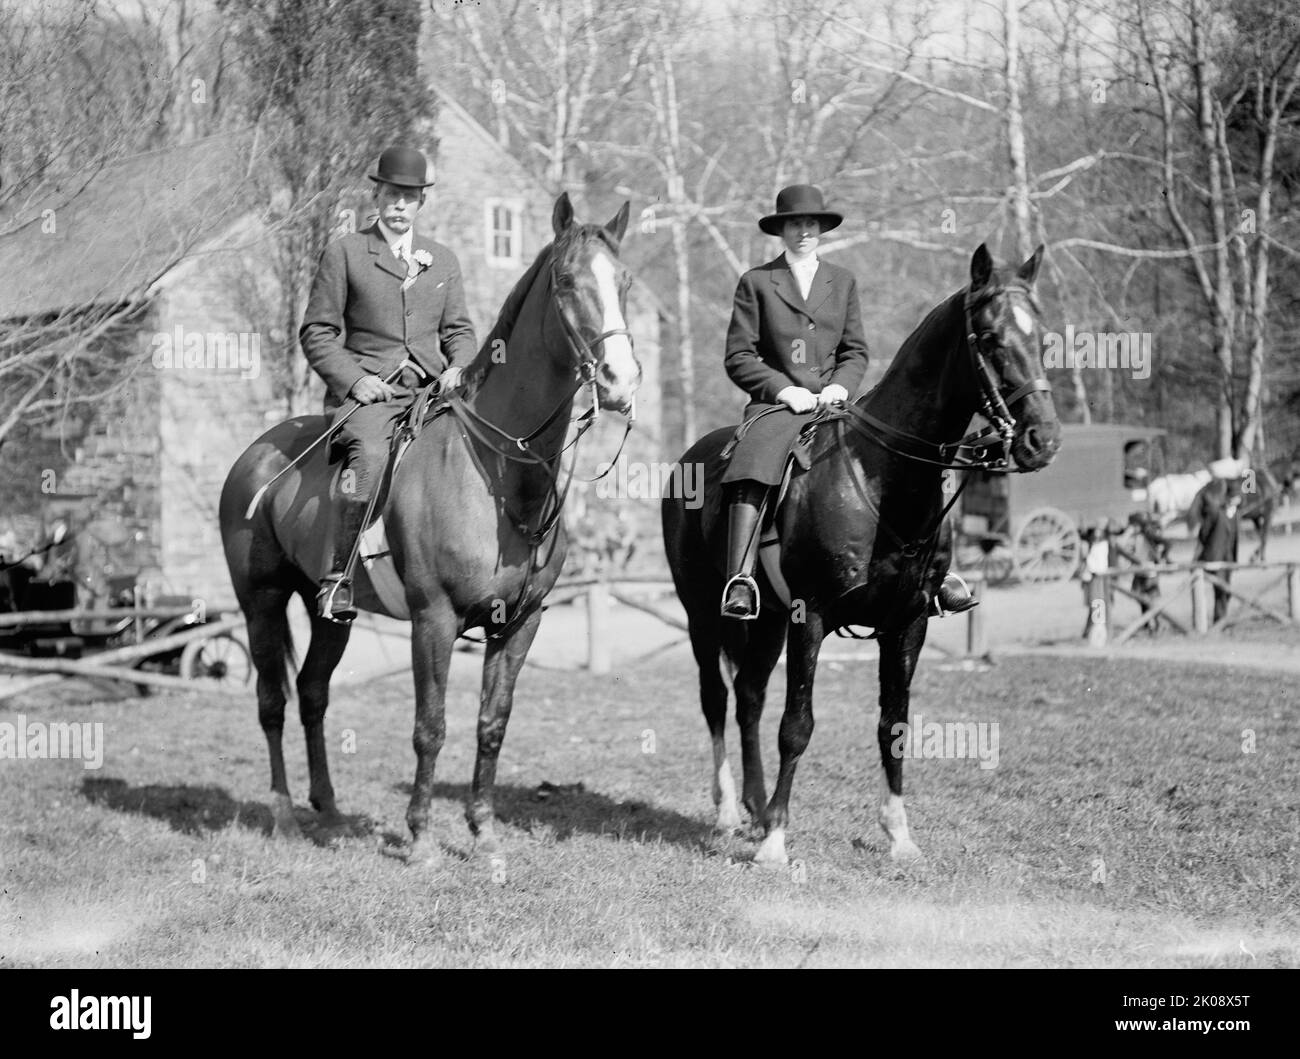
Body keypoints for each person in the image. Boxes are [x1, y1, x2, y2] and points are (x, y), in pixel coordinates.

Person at [718, 184, 977, 619]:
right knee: (753, 459)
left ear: (820, 228)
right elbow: (739, 355)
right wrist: (785, 389)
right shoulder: (757, 282)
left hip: (835, 402)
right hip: (779, 406)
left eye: (810, 223)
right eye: (794, 224)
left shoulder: (843, 280)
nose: (803, 231)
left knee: (912, 460)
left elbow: (855, 350)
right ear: (781, 230)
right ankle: (740, 579)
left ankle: (938, 573)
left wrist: (841, 385)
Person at [300, 145, 476, 623]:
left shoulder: (442, 260)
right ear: (376, 195)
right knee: (372, 458)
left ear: (422, 203)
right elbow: (318, 331)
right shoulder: (346, 252)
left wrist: (459, 366)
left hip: (430, 393)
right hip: (371, 397)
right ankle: (337, 578)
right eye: (392, 194)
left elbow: (458, 330)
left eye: (410, 197)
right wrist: (355, 382)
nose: (400, 205)